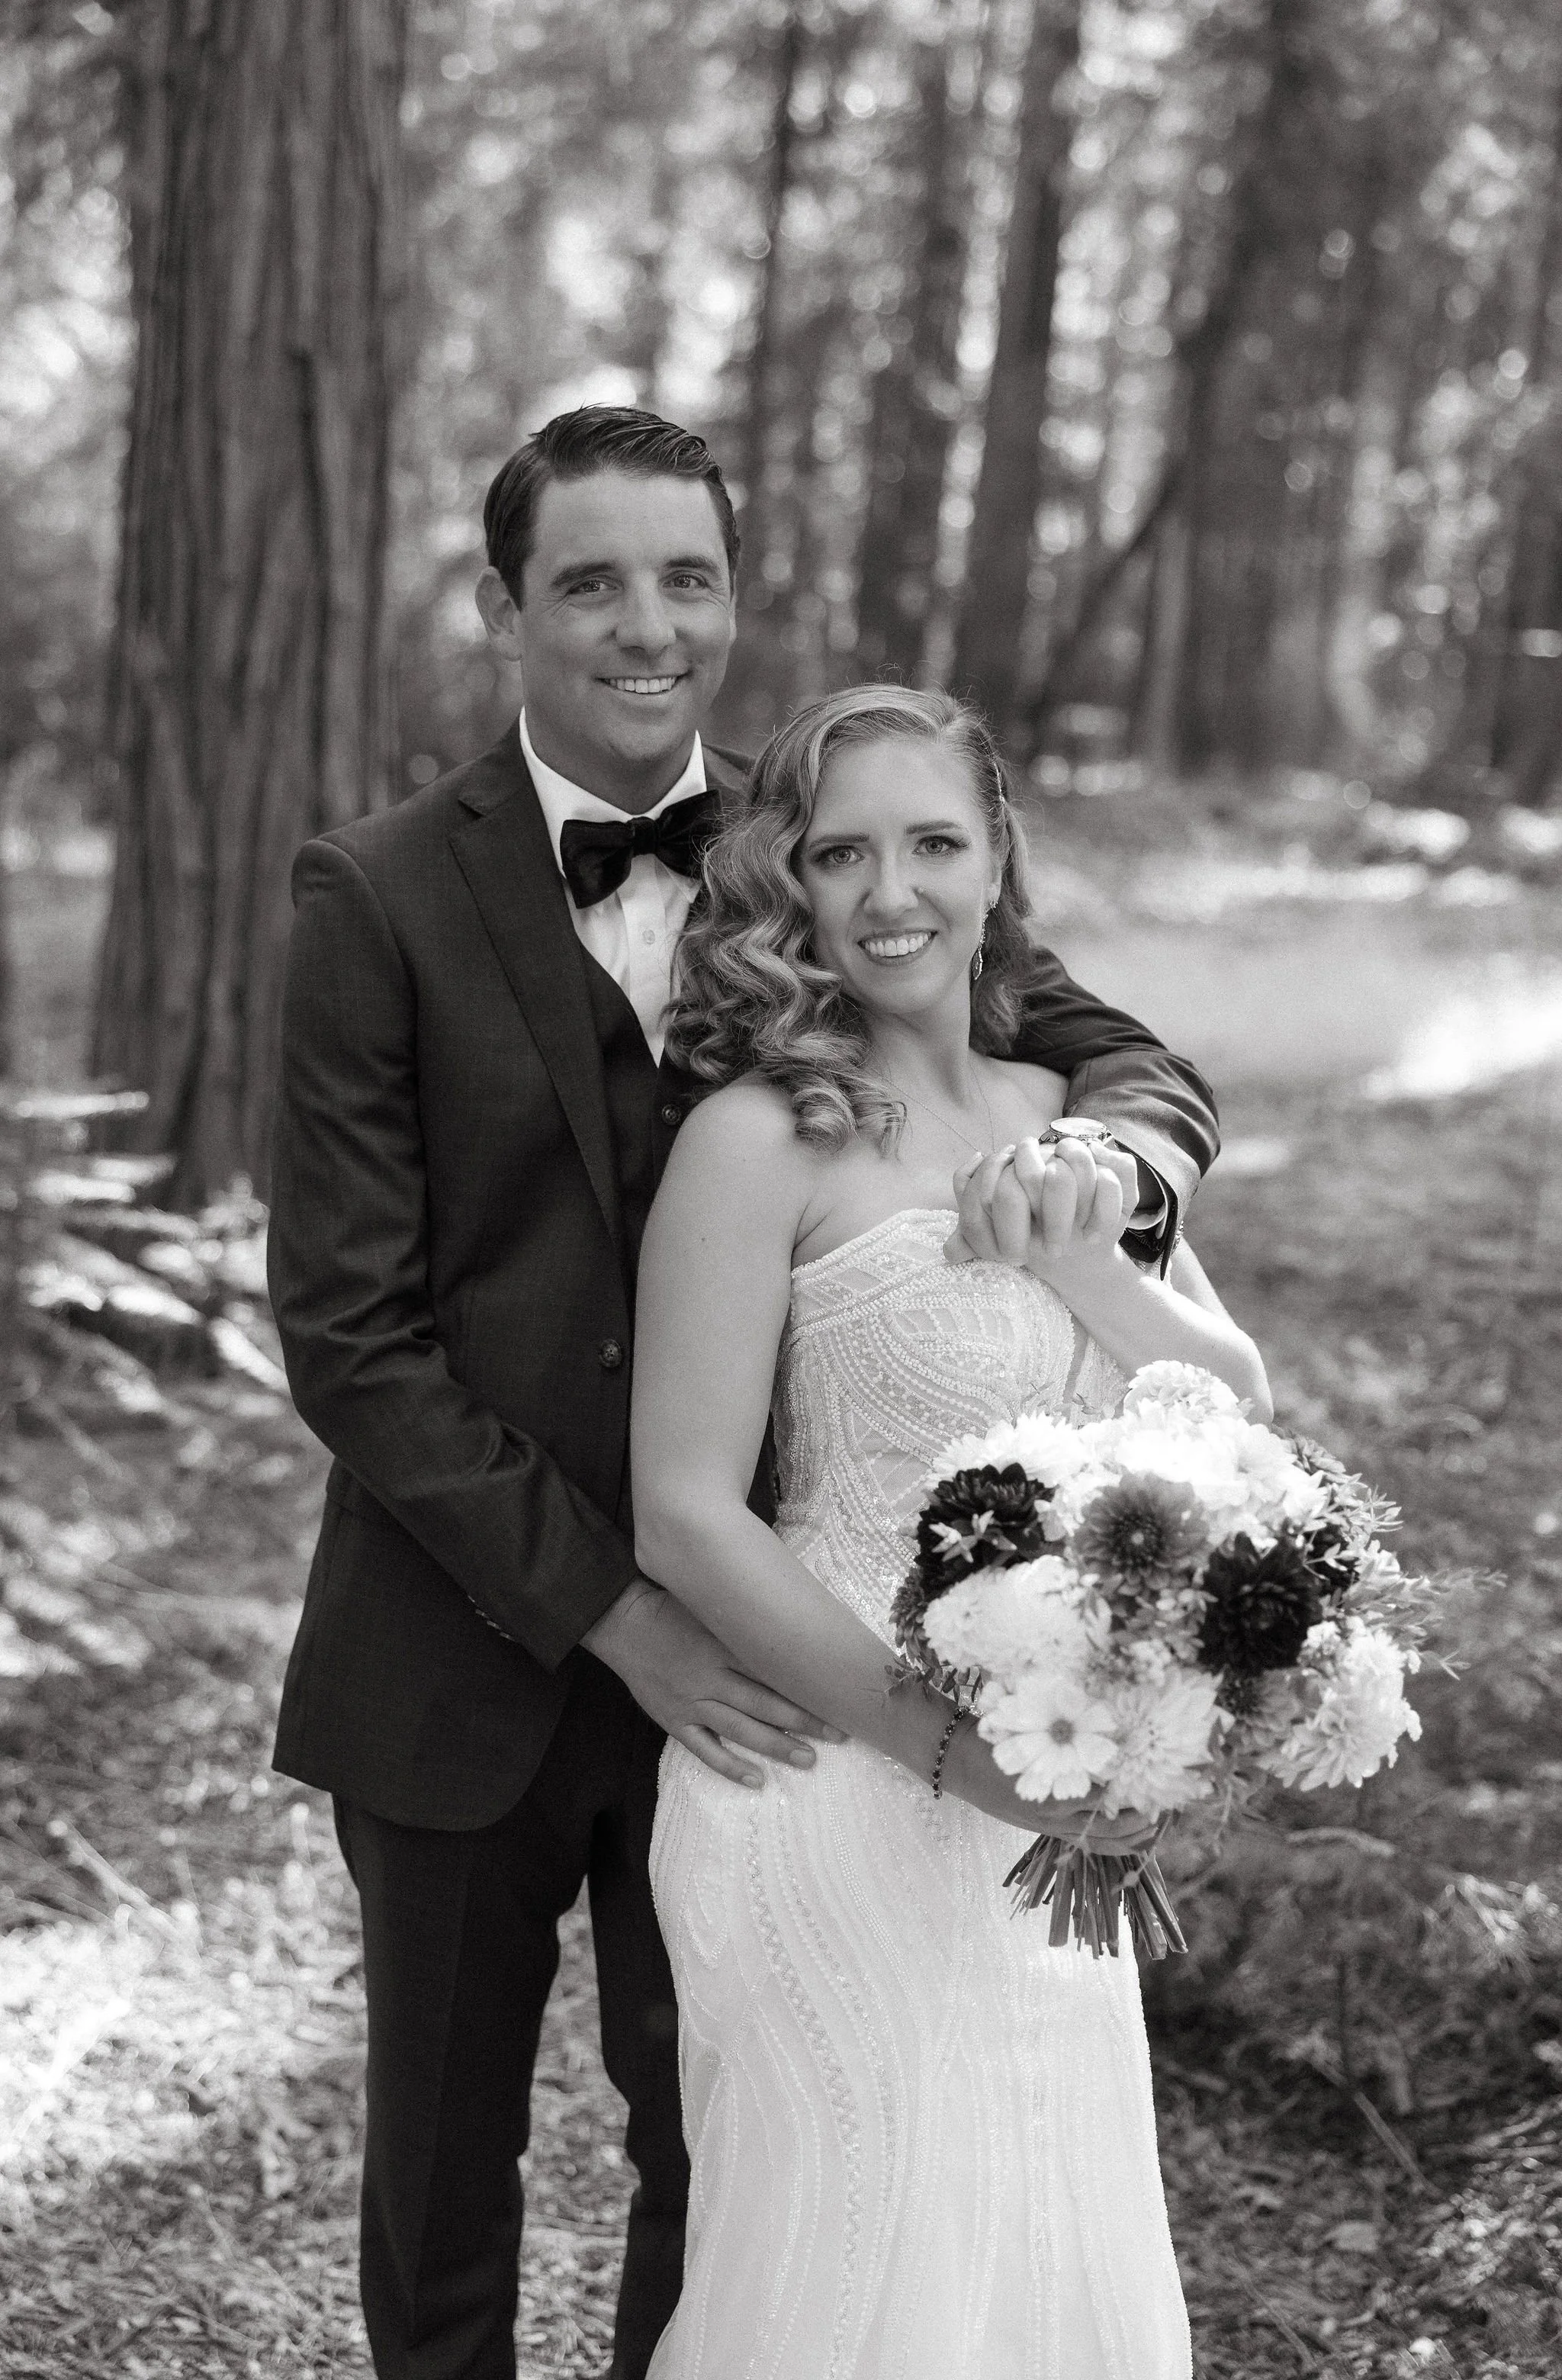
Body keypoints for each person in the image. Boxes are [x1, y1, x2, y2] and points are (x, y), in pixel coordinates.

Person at [266, 405, 1221, 2380]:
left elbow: (1117, 1054)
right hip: (467, 1646)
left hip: (775, 1679)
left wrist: (1117, 1180)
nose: (647, 625)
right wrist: (623, 1616)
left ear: (731, 597)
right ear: (502, 604)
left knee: (738, 2183)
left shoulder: (819, 848)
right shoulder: (374, 897)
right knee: (440, 2193)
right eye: (591, 580)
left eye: (686, 578)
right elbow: (351, 1338)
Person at [632, 683, 1269, 2378]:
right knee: (862, 2280)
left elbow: (1235, 1402)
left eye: (931, 841)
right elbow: (687, 1512)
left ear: (997, 863)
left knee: (1038, 2266)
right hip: (828, 1779)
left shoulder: (1070, 1112)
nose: (889, 889)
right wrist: (943, 1755)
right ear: (790, 885)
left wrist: (1075, 1251)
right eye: (842, 853)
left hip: (1047, 1790)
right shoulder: (757, 1135)